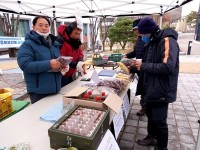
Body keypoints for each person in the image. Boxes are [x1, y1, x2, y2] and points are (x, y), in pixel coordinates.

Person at [135, 17, 179, 150]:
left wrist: (143, 66)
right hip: (151, 88)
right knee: (151, 115)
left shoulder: (167, 40)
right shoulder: (152, 41)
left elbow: (167, 67)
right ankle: (151, 137)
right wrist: (135, 65)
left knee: (160, 121)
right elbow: (149, 61)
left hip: (161, 89)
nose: (141, 37)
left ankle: (161, 147)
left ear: (149, 31)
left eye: (142, 34)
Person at [17, 16, 62, 104]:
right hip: (38, 92)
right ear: (33, 27)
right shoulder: (28, 44)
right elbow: (25, 65)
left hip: (56, 88)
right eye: (40, 25)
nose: (44, 28)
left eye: (46, 25)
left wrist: (62, 66)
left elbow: (57, 62)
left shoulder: (54, 44)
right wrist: (49, 64)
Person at [124, 18, 146, 116]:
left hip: (145, 68)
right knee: (142, 87)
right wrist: (126, 56)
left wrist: (132, 67)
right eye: (134, 30)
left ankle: (145, 107)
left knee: (145, 88)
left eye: (137, 29)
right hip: (138, 67)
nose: (136, 31)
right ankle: (144, 106)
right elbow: (135, 52)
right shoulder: (139, 39)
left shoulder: (147, 39)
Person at [57, 21, 84, 87]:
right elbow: (62, 58)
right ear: (69, 31)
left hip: (73, 73)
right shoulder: (62, 41)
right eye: (75, 33)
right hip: (63, 75)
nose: (77, 36)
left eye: (79, 34)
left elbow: (80, 52)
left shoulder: (76, 41)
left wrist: (80, 61)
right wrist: (76, 65)